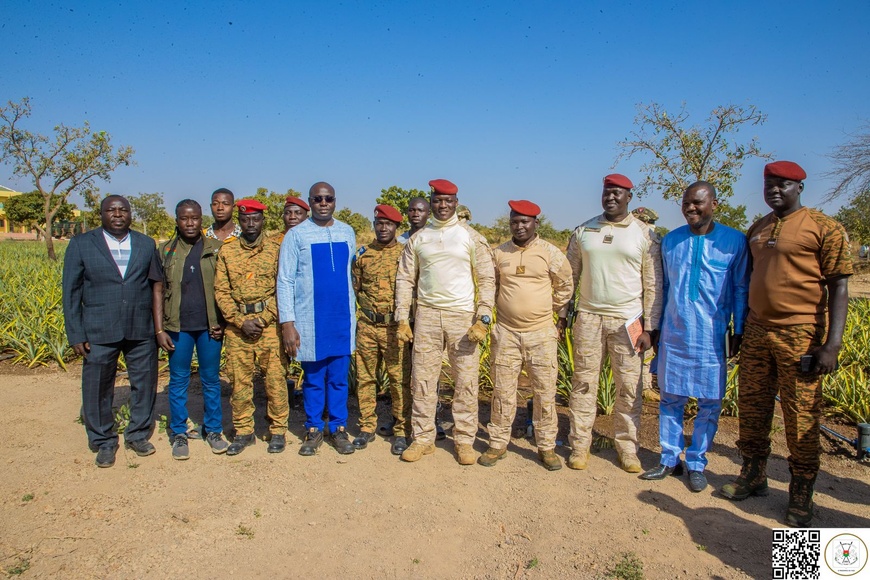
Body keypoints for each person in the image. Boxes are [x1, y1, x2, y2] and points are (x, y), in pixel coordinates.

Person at [720, 161, 852, 527]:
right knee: (752, 407)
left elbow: (840, 285)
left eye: (783, 184)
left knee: (801, 418)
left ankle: (801, 490)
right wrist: (742, 331)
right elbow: (749, 282)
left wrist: (832, 346)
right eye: (769, 184)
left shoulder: (825, 228)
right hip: (758, 332)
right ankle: (753, 473)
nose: (774, 190)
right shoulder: (758, 228)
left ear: (799, 187)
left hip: (802, 335)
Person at [639, 182, 749, 492]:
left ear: (714, 203)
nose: (691, 208)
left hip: (712, 338)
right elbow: (664, 289)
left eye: (698, 203)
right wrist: (656, 328)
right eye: (686, 203)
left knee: (710, 403)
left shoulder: (733, 242)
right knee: (670, 399)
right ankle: (669, 459)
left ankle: (697, 462)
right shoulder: (671, 241)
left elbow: (741, 288)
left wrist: (738, 331)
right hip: (675, 336)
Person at [565, 173, 662, 473]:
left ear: (629, 197)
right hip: (589, 318)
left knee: (629, 388)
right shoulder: (584, 230)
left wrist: (651, 328)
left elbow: (653, 284)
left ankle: (627, 449)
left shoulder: (645, 235)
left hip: (627, 321)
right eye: (607, 192)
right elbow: (570, 278)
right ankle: (579, 446)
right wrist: (563, 314)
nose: (611, 197)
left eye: (618, 193)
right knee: (583, 384)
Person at [395, 178, 496, 465]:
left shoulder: (470, 236)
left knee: (465, 382)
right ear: (431, 202)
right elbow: (405, 279)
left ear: (456, 203)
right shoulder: (419, 238)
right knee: (423, 381)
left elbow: (487, 278)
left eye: (448, 201)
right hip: (426, 315)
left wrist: (483, 318)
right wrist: (402, 318)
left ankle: (463, 440)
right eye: (437, 201)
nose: (442, 206)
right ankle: (422, 438)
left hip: (462, 318)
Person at [62, 195, 163, 468]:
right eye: (111, 210)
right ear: (101, 214)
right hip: (98, 328)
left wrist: (158, 328)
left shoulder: (145, 243)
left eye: (123, 210)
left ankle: (138, 434)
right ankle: (103, 440)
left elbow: (156, 286)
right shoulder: (81, 244)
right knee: (97, 387)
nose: (117, 214)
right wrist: (76, 333)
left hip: (139, 327)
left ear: (130, 214)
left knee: (145, 383)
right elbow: (70, 292)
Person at [478, 200, 574, 471]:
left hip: (541, 333)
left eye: (524, 222)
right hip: (506, 333)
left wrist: (549, 311)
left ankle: (546, 446)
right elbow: (490, 284)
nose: (519, 227)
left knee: (544, 391)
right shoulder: (499, 254)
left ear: (536, 224)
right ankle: (497, 443)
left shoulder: (550, 253)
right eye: (514, 222)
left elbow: (565, 285)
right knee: (502, 390)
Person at [277, 182, 357, 456]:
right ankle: (312, 428)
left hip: (341, 318)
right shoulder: (296, 235)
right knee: (313, 378)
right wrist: (287, 323)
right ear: (310, 202)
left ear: (335, 201)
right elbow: (285, 280)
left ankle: (338, 428)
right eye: (318, 199)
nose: (323, 203)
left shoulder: (347, 232)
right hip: (310, 318)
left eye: (328, 198)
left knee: (338, 378)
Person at [154, 200, 228, 460]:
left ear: (201, 220)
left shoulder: (217, 249)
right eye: (184, 218)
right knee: (178, 381)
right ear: (177, 220)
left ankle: (214, 430)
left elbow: (225, 289)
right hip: (178, 327)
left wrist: (224, 323)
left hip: (209, 327)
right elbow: (158, 290)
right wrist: (159, 329)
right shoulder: (165, 251)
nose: (189, 223)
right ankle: (179, 433)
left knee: (210, 380)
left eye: (195, 218)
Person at [214, 199, 289, 455]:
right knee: (239, 382)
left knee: (275, 380)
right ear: (239, 221)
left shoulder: (276, 250)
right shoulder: (228, 251)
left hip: (268, 326)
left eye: (255, 219)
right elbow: (221, 291)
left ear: (263, 221)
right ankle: (244, 431)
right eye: (245, 219)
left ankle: (278, 430)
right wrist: (239, 321)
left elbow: (284, 287)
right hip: (238, 328)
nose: (250, 224)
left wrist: (265, 318)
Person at [352, 204, 412, 455]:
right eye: (379, 223)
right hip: (367, 325)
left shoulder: (405, 254)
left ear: (397, 227)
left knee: (399, 381)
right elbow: (356, 288)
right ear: (374, 225)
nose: (383, 227)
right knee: (365, 378)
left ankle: (401, 429)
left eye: (389, 224)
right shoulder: (362, 255)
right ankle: (367, 426)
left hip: (394, 328)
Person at [631, 207, 661, 402]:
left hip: (650, 303)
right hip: (632, 304)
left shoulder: (653, 241)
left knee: (647, 345)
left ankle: (646, 385)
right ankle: (641, 386)